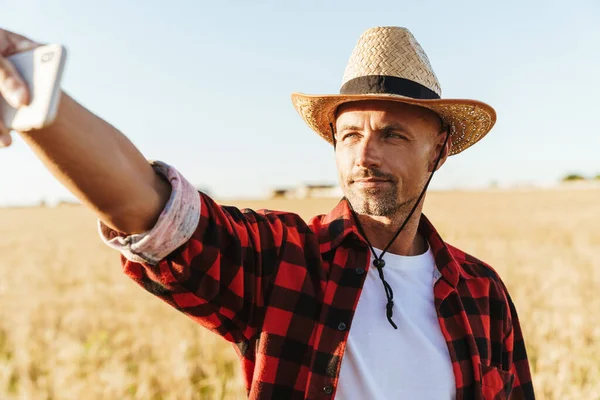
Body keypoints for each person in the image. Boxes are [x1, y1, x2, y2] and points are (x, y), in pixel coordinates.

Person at [0, 26, 535, 399]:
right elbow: (148, 209)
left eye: (392, 135)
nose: (365, 155)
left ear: (438, 150)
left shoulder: (481, 292)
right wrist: (36, 98)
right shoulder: (284, 260)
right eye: (349, 135)